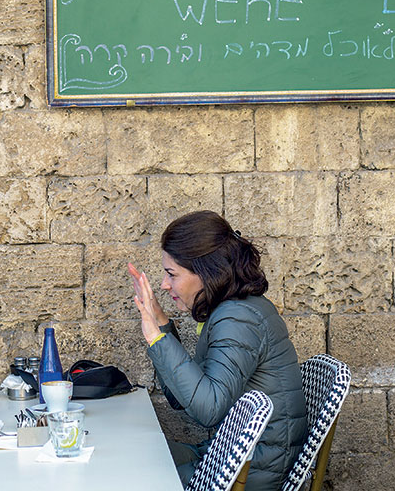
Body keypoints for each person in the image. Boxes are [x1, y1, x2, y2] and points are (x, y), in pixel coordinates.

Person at [128, 210, 307, 490]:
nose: (164, 284)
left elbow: (208, 408)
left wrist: (155, 338)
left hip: (251, 471)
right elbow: (181, 399)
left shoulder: (238, 318)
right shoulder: (234, 309)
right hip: (231, 456)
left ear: (204, 273)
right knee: (134, 453)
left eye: (171, 274)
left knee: (131, 474)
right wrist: (160, 321)